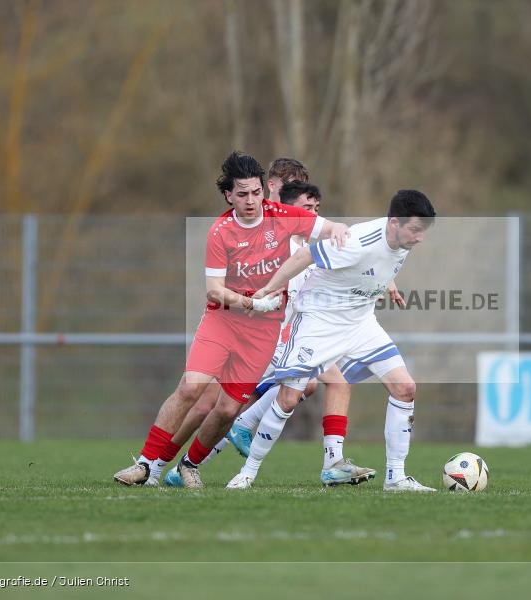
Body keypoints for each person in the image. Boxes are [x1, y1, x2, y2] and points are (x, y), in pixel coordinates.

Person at [112, 151, 349, 486]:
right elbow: (214, 291)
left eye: (255, 193)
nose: (251, 201)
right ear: (228, 195)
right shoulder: (220, 232)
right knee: (191, 389)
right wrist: (252, 302)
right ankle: (146, 464)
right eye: (242, 194)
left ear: (264, 190)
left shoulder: (283, 216)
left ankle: (189, 465)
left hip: (263, 333)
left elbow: (331, 228)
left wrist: (340, 232)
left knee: (226, 410)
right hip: (222, 322)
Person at [208, 189, 438, 493]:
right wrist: (268, 289)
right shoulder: (356, 242)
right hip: (320, 322)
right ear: (394, 223)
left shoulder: (402, 241)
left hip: (361, 323)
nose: (420, 238)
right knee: (288, 398)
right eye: (416, 230)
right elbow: (305, 256)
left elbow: (380, 263)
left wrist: (387, 284)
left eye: (423, 230)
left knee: (405, 388)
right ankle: (247, 474)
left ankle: (396, 478)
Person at [163, 181, 384, 487]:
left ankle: (327, 460)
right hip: (265, 335)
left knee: (315, 386)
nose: (313, 216)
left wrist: (380, 277)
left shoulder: (310, 249)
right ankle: (169, 463)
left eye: (316, 209)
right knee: (220, 405)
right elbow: (249, 291)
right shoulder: (281, 248)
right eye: (306, 209)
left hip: (291, 335)